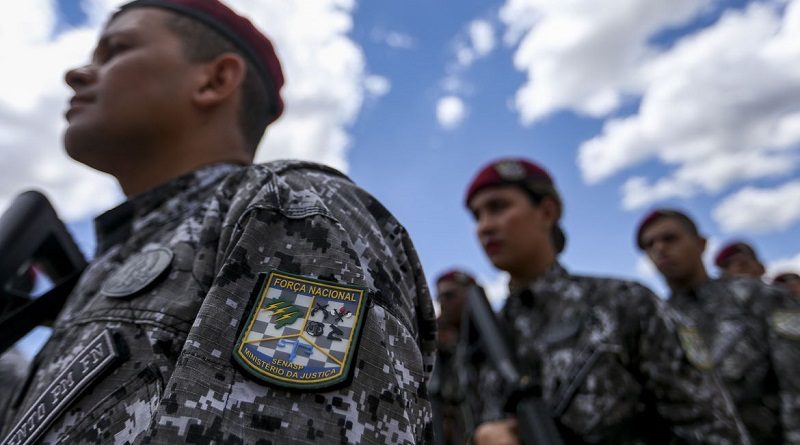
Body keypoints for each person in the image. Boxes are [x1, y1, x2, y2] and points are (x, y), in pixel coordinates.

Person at [0, 1, 436, 444]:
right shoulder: (107, 265)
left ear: (215, 80)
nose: (76, 74)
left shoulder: (284, 205)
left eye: (116, 50)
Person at [464, 158, 749, 445]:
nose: (484, 226)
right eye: (477, 216)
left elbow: (714, 431)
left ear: (547, 211)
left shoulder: (622, 303)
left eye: (498, 207)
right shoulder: (486, 338)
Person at [637, 208, 800, 445]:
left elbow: (795, 380)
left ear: (701, 243)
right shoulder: (656, 322)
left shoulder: (762, 297)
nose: (659, 249)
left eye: (670, 238)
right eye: (649, 245)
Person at [431, 269, 480, 445]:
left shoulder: (490, 342)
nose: (443, 303)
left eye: (450, 296)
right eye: (440, 298)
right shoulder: (438, 348)